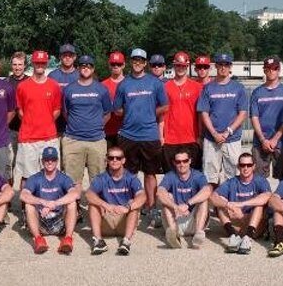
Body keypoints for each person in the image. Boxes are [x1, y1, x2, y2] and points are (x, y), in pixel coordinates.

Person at [112, 48, 168, 229]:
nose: (137, 62)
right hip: (128, 135)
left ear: (145, 63)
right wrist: (131, 113)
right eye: (134, 60)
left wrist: (150, 113)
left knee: (150, 173)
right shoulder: (124, 84)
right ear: (131, 62)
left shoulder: (155, 83)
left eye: (141, 60)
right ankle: (131, 207)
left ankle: (151, 208)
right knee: (129, 174)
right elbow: (117, 110)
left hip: (149, 135)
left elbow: (165, 105)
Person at [198, 53, 248, 191]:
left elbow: (243, 113)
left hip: (232, 139)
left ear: (230, 66)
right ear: (216, 66)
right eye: (220, 64)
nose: (223, 67)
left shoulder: (238, 88)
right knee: (209, 176)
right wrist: (214, 133)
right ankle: (209, 206)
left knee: (233, 174)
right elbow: (204, 113)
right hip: (211, 139)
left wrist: (227, 132)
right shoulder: (208, 88)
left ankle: (228, 205)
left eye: (226, 64)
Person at [60, 55, 110, 188]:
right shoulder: (69, 89)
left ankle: (97, 207)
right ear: (78, 68)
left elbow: (107, 113)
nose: (86, 68)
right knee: (72, 180)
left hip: (97, 140)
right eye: (82, 66)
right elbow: (65, 113)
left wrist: (96, 126)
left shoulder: (102, 89)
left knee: (98, 180)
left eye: (89, 66)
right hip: (73, 140)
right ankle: (73, 207)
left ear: (93, 69)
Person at [15, 51, 61, 190]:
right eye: (37, 62)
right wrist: (32, 121)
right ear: (33, 63)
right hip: (28, 138)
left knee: (51, 174)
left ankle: (48, 204)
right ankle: (25, 208)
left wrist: (45, 121)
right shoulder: (22, 86)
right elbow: (20, 111)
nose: (40, 65)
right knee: (27, 176)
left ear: (46, 64)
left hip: (49, 137)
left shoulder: (54, 86)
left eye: (42, 62)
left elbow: (57, 110)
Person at [85, 145, 143, 256]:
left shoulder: (131, 178)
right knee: (93, 204)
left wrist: (128, 207)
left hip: (124, 219)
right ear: (107, 160)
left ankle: (126, 242)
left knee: (134, 205)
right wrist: (106, 205)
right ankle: (98, 241)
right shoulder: (101, 178)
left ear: (123, 160)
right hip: (107, 218)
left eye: (118, 158)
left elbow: (142, 195)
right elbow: (88, 194)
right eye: (111, 158)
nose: (114, 160)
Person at [210, 152, 272, 255]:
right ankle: (233, 236)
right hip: (236, 224)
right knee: (220, 204)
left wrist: (241, 204)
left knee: (259, 205)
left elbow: (267, 196)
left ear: (254, 166)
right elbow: (213, 197)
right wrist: (228, 204)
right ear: (238, 167)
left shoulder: (260, 180)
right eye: (242, 165)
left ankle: (248, 237)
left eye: (249, 165)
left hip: (254, 224)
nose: (246, 168)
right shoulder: (232, 182)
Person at [249, 57, 283, 181]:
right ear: (264, 70)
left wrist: (275, 138)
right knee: (258, 180)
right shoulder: (257, 92)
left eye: (274, 68)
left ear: (279, 70)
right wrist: (263, 140)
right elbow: (254, 117)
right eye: (268, 69)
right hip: (260, 143)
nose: (271, 71)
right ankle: (263, 201)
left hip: (281, 142)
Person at [157, 150, 211, 249]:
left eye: (185, 161)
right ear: (174, 163)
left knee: (203, 199)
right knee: (167, 196)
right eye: (178, 162)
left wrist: (187, 204)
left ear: (190, 161)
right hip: (176, 218)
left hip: (194, 220)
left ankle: (198, 234)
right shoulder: (170, 176)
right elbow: (160, 192)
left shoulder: (198, 175)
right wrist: (176, 207)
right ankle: (174, 235)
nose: (182, 164)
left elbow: (207, 190)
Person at [162, 52, 204, 174]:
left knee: (193, 176)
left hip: (191, 138)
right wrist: (161, 136)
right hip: (170, 139)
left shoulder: (197, 87)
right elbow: (161, 115)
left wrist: (200, 136)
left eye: (183, 66)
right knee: (170, 176)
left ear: (187, 66)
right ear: (174, 66)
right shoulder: (165, 87)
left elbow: (201, 114)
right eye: (178, 65)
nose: (180, 68)